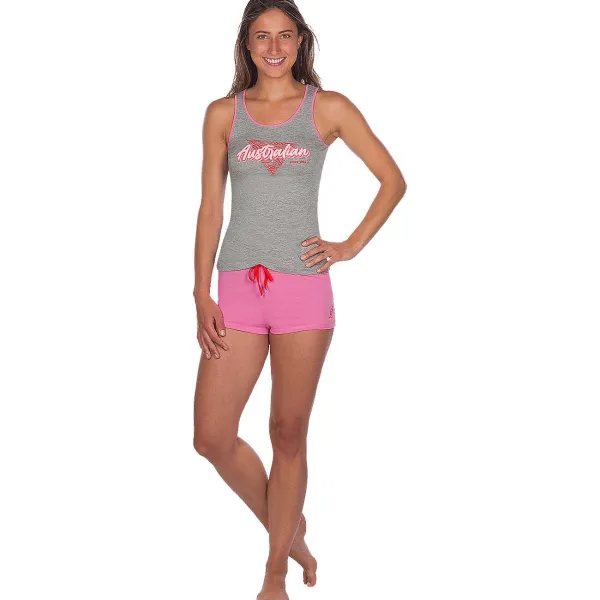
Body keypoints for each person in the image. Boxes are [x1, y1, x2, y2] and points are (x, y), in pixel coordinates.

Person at [192, 1, 407, 598]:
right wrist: (200, 291)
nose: (274, 47)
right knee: (211, 436)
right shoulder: (223, 115)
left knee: (287, 433)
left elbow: (393, 181)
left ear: (300, 42)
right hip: (237, 288)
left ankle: (275, 573)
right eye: (262, 36)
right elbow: (210, 209)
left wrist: (349, 246)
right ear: (247, 44)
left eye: (285, 36)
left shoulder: (327, 108)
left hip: (303, 293)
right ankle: (290, 530)